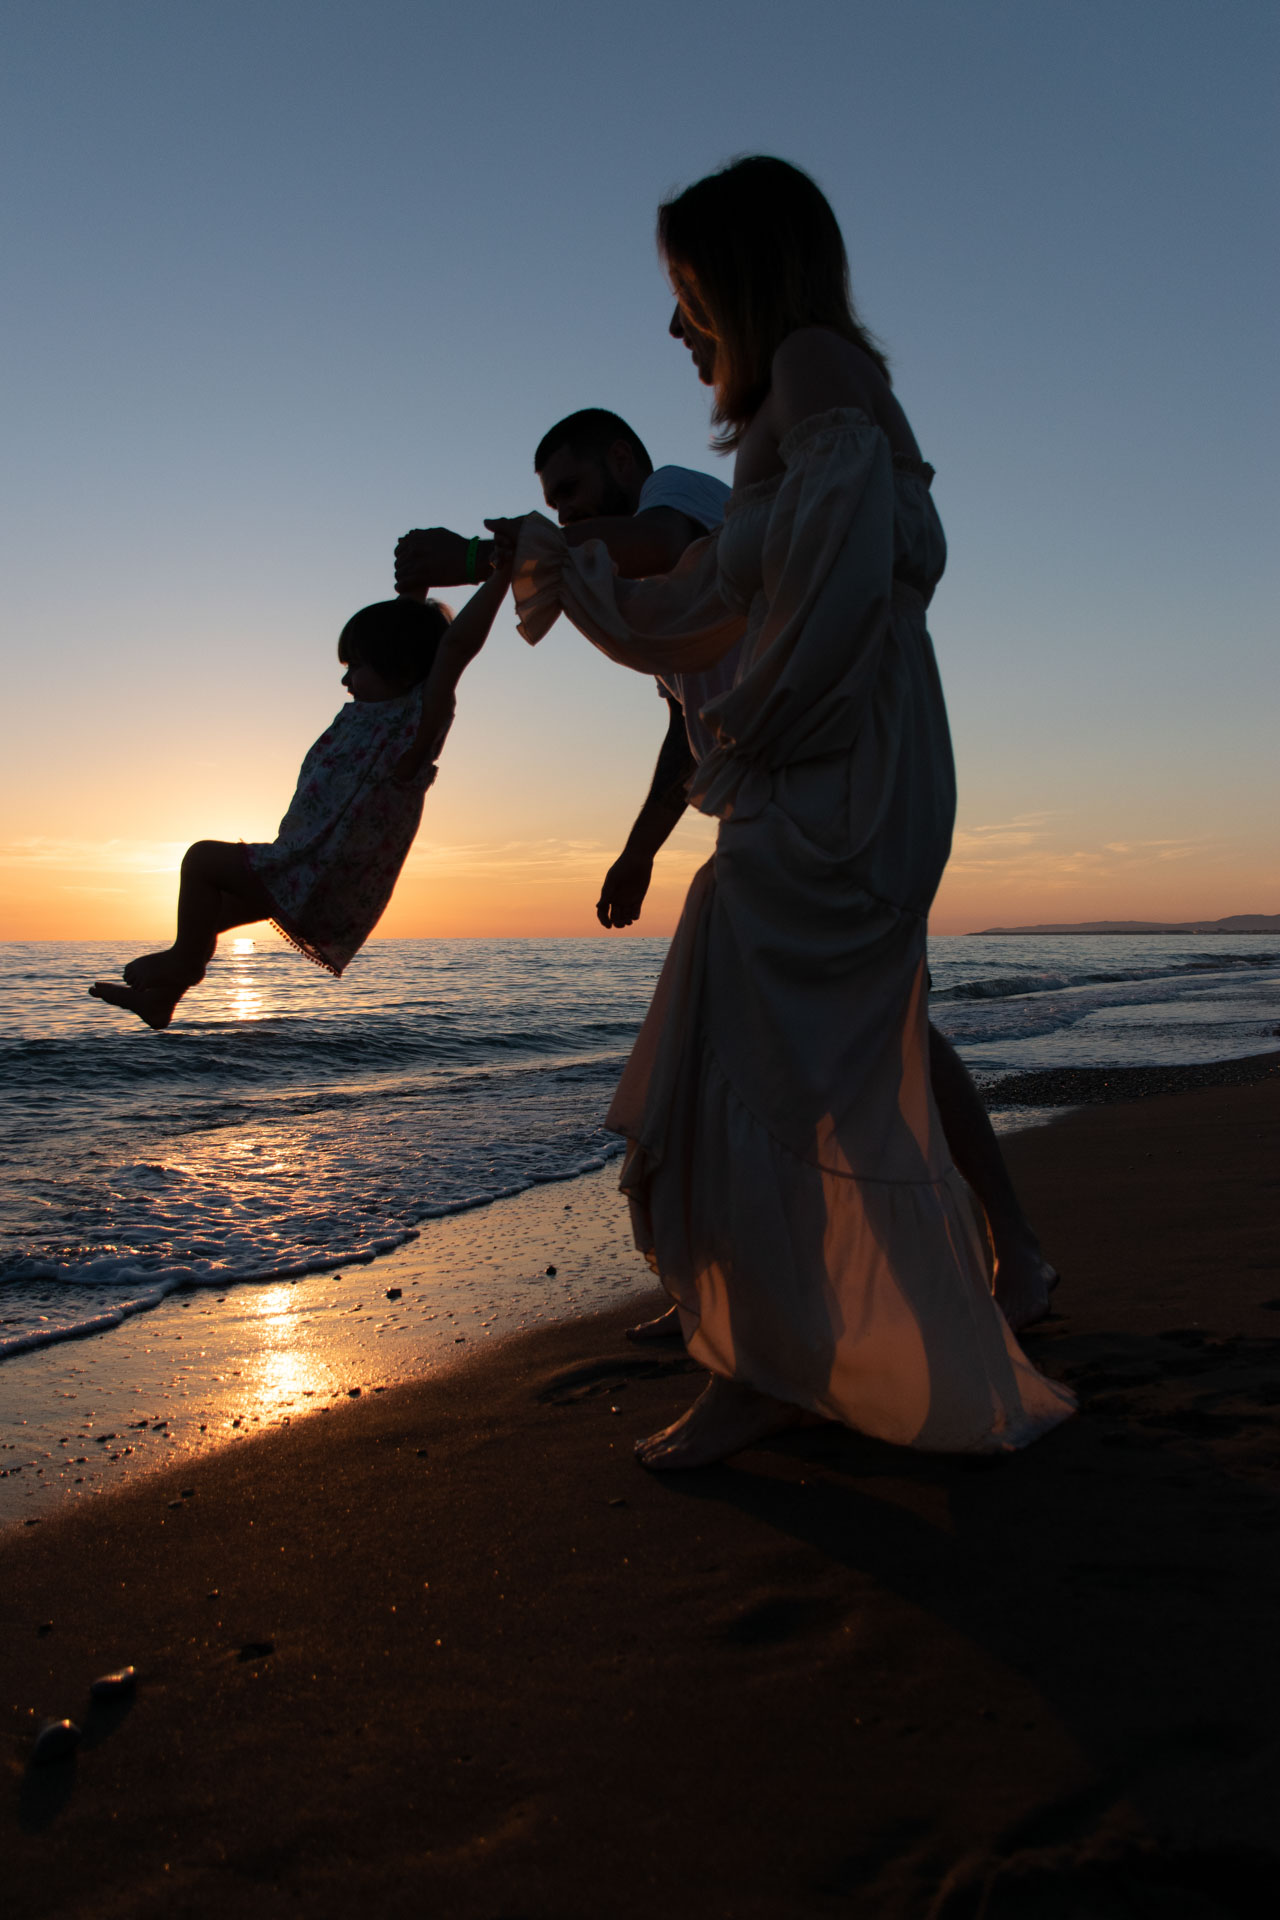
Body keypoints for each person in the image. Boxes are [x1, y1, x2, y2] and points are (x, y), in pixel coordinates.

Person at [491, 155, 1076, 1468]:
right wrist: (554, 573)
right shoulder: (798, 396)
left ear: (743, 276)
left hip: (836, 772)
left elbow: (834, 576)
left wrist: (753, 739)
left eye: (688, 290)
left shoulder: (810, 368)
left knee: (749, 1053)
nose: (674, 324)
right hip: (838, 759)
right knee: (801, 1054)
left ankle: (765, 1360)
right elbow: (709, 605)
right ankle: (803, 1334)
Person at [397, 415, 1058, 1333]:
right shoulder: (659, 595)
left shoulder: (683, 498)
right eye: (553, 505)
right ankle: (720, 1285)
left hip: (829, 795)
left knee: (884, 1029)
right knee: (728, 1055)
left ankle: (1010, 1248)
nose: (568, 516)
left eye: (573, 493)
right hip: (760, 812)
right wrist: (639, 849)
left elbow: (658, 537)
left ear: (623, 462)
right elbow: (686, 731)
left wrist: (485, 556)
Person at [89, 575, 509, 1029]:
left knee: (201, 859)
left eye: (357, 667)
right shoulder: (371, 714)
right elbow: (404, 631)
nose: (345, 679)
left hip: (316, 871)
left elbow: (454, 648)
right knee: (207, 913)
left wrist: (503, 571)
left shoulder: (414, 728)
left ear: (401, 668)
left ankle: (184, 964)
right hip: (306, 869)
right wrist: (417, 585)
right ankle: (161, 1001)